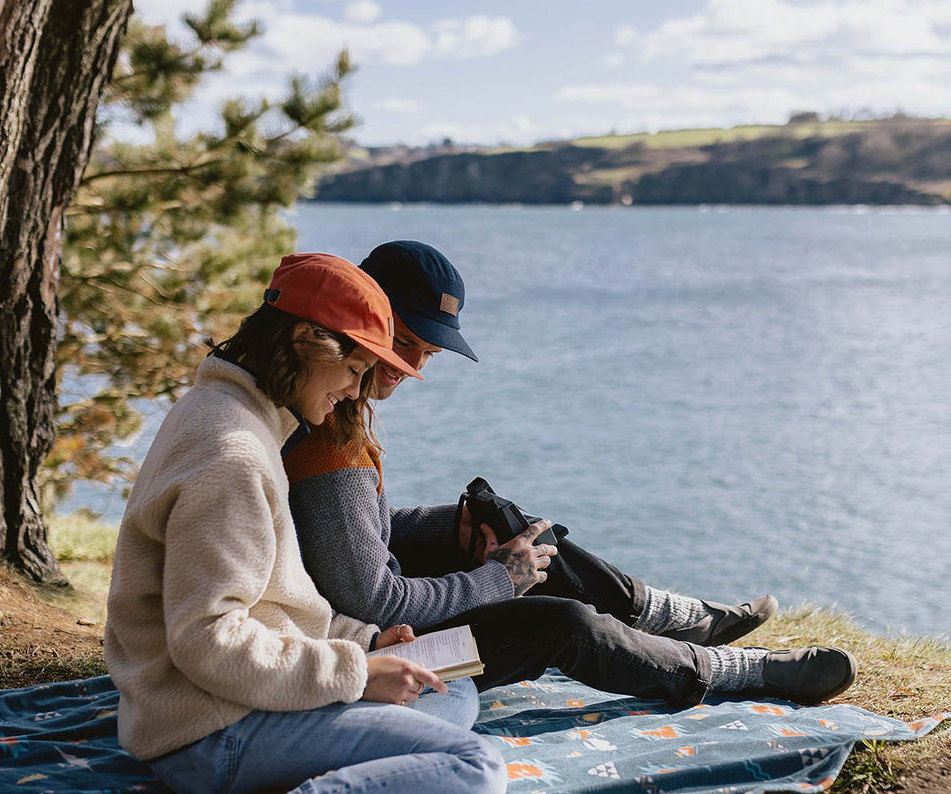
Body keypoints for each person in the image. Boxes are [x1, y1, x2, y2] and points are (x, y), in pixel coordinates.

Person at [90, 253, 504, 794]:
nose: (352, 391)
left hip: (230, 704)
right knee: (474, 768)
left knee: (450, 694)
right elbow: (209, 640)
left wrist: (368, 642)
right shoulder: (234, 457)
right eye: (354, 371)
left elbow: (273, 601)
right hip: (208, 733)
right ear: (310, 342)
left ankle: (285, 789)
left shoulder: (230, 413)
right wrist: (357, 673)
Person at [283, 241, 857, 706]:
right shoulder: (327, 438)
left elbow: (346, 534)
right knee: (563, 625)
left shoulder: (339, 407)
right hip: (374, 653)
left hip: (362, 615)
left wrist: (444, 527)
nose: (409, 369)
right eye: (403, 344)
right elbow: (377, 601)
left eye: (428, 355)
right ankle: (735, 672)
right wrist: (498, 581)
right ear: (364, 318)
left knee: (519, 530)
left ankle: (676, 619)